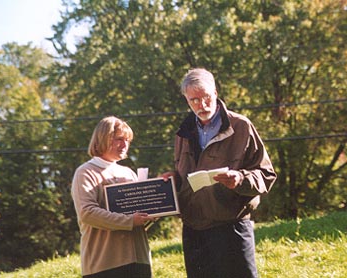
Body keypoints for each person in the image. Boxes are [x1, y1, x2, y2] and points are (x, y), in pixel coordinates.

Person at [161, 68, 277, 278]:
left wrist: (240, 179)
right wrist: (173, 178)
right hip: (194, 227)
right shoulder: (182, 133)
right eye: (194, 100)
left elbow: (266, 174)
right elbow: (184, 174)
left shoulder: (241, 126)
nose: (201, 105)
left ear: (215, 92)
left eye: (205, 97)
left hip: (231, 225)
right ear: (186, 99)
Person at [71, 116, 155, 278]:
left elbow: (139, 215)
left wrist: (155, 208)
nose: (125, 145)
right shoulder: (86, 172)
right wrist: (130, 221)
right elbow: (87, 213)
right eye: (119, 139)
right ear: (102, 138)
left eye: (127, 140)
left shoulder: (128, 173)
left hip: (139, 261)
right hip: (105, 263)